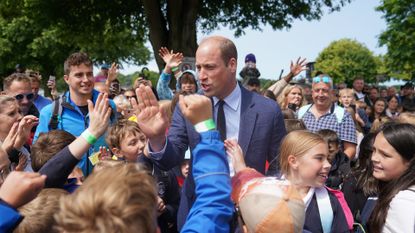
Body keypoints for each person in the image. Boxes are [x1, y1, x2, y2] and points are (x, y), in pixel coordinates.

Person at [134, 35, 286, 230]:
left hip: (251, 214)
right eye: (198, 68)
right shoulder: (186, 105)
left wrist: (262, 203)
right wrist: (156, 138)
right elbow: (170, 158)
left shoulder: (267, 110)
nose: (201, 76)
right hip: (199, 212)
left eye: (210, 67)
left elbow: (277, 168)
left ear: (232, 65)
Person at [226, 130, 350, 233]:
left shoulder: (329, 203)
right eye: (319, 158)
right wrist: (240, 168)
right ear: (293, 161)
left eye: (327, 158)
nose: (328, 165)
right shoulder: (266, 194)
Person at [34, 52, 117, 176]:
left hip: (102, 183)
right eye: (79, 75)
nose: (86, 79)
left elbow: (117, 141)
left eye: (89, 74)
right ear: (67, 79)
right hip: (68, 186)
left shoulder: (108, 105)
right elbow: (37, 156)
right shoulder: (50, 112)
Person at [106, 119, 180, 233]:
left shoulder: (164, 171)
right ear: (118, 152)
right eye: (132, 143)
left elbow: (177, 205)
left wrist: (164, 210)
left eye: (143, 139)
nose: (141, 145)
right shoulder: (116, 179)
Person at [368, 123, 415, 233]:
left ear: (410, 161)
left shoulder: (404, 201)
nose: (374, 158)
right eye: (374, 150)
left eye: (385, 155)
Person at [298, 74, 357, 159]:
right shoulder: (302, 112)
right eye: (317, 90)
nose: (320, 94)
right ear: (312, 93)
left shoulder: (343, 115)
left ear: (332, 93)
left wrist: (337, 168)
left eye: (325, 90)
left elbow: (350, 149)